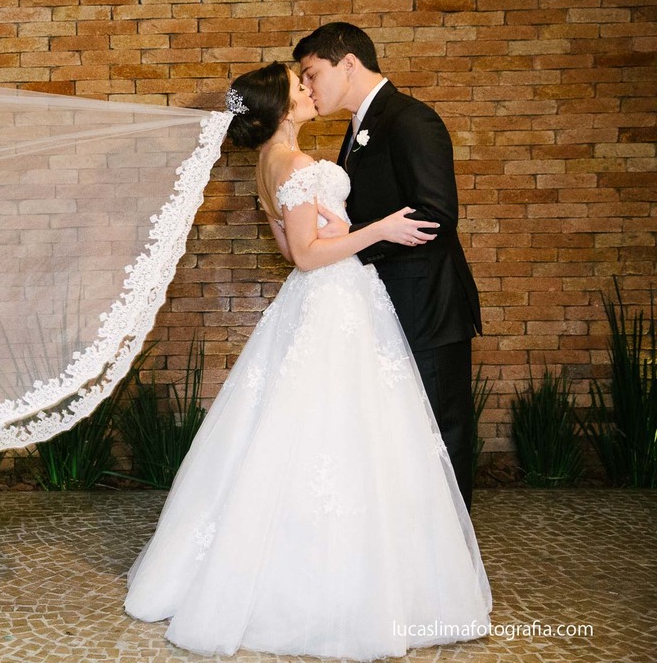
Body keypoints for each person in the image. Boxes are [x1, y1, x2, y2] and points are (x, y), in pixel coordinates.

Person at [124, 62, 492, 660]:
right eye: (299, 85)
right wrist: (380, 229)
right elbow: (306, 257)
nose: (308, 90)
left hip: (327, 304)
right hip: (331, 299)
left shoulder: (271, 170)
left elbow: (298, 242)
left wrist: (340, 226)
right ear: (279, 106)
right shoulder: (295, 166)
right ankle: (331, 586)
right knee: (338, 429)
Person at [294, 23, 482, 509]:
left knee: (440, 425)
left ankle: (452, 554)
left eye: (312, 73)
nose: (309, 86)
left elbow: (435, 214)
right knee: (399, 431)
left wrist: (358, 242)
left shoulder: (410, 120)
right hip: (382, 302)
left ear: (348, 63)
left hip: (426, 305)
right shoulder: (357, 129)